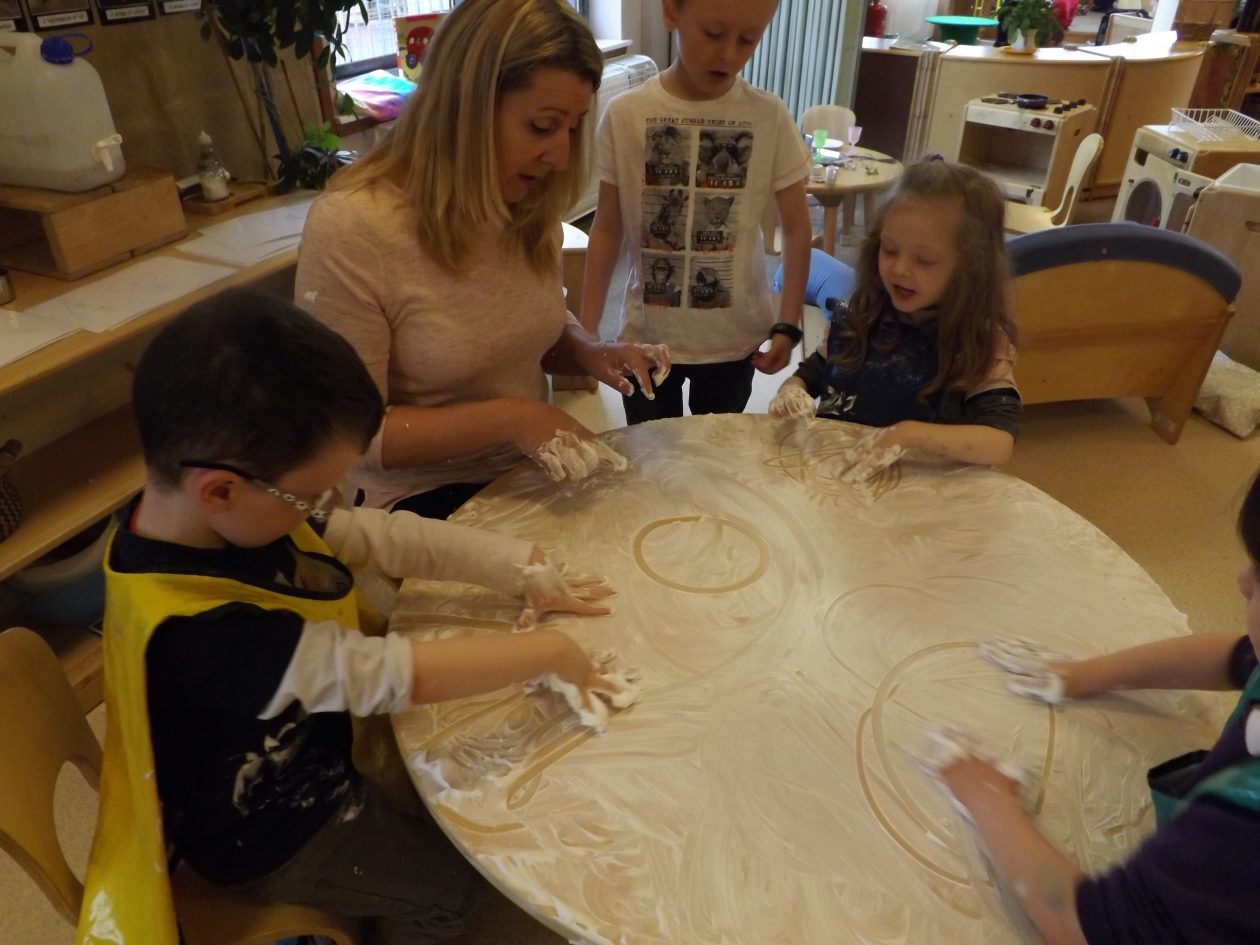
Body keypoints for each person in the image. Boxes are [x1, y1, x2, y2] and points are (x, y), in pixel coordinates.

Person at [76, 289, 636, 945]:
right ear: (221, 489)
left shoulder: (226, 512)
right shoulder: (204, 637)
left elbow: (377, 536)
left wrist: (518, 564)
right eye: (315, 492)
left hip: (308, 740)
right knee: (455, 889)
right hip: (272, 825)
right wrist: (549, 652)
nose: (329, 503)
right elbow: (388, 675)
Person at [295, 0, 669, 521]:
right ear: (463, 110)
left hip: (523, 471)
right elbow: (349, 435)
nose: (561, 156)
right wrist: (515, 419)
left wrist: (588, 350)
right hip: (413, 502)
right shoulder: (355, 228)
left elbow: (521, 325)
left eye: (572, 128)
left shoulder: (524, 201)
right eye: (542, 126)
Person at [918, 468, 1260, 945]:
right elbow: (1234, 657)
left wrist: (986, 798)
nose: (1241, 580)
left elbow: (1091, 926)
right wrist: (1084, 675)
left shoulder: (1244, 830)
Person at [577, 0, 813, 425]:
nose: (729, 54)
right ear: (672, 12)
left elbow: (796, 228)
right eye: (713, 33)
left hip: (733, 343)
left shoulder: (769, 116)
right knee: (650, 455)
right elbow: (608, 228)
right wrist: (587, 333)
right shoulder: (625, 115)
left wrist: (789, 323)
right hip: (646, 341)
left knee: (716, 455)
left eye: (748, 39)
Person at [768, 159, 1021, 479]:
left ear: (970, 268)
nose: (900, 269)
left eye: (924, 260)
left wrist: (907, 435)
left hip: (919, 493)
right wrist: (792, 391)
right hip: (838, 478)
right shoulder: (859, 315)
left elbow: (999, 441)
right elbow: (812, 375)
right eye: (889, 250)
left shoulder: (978, 341)